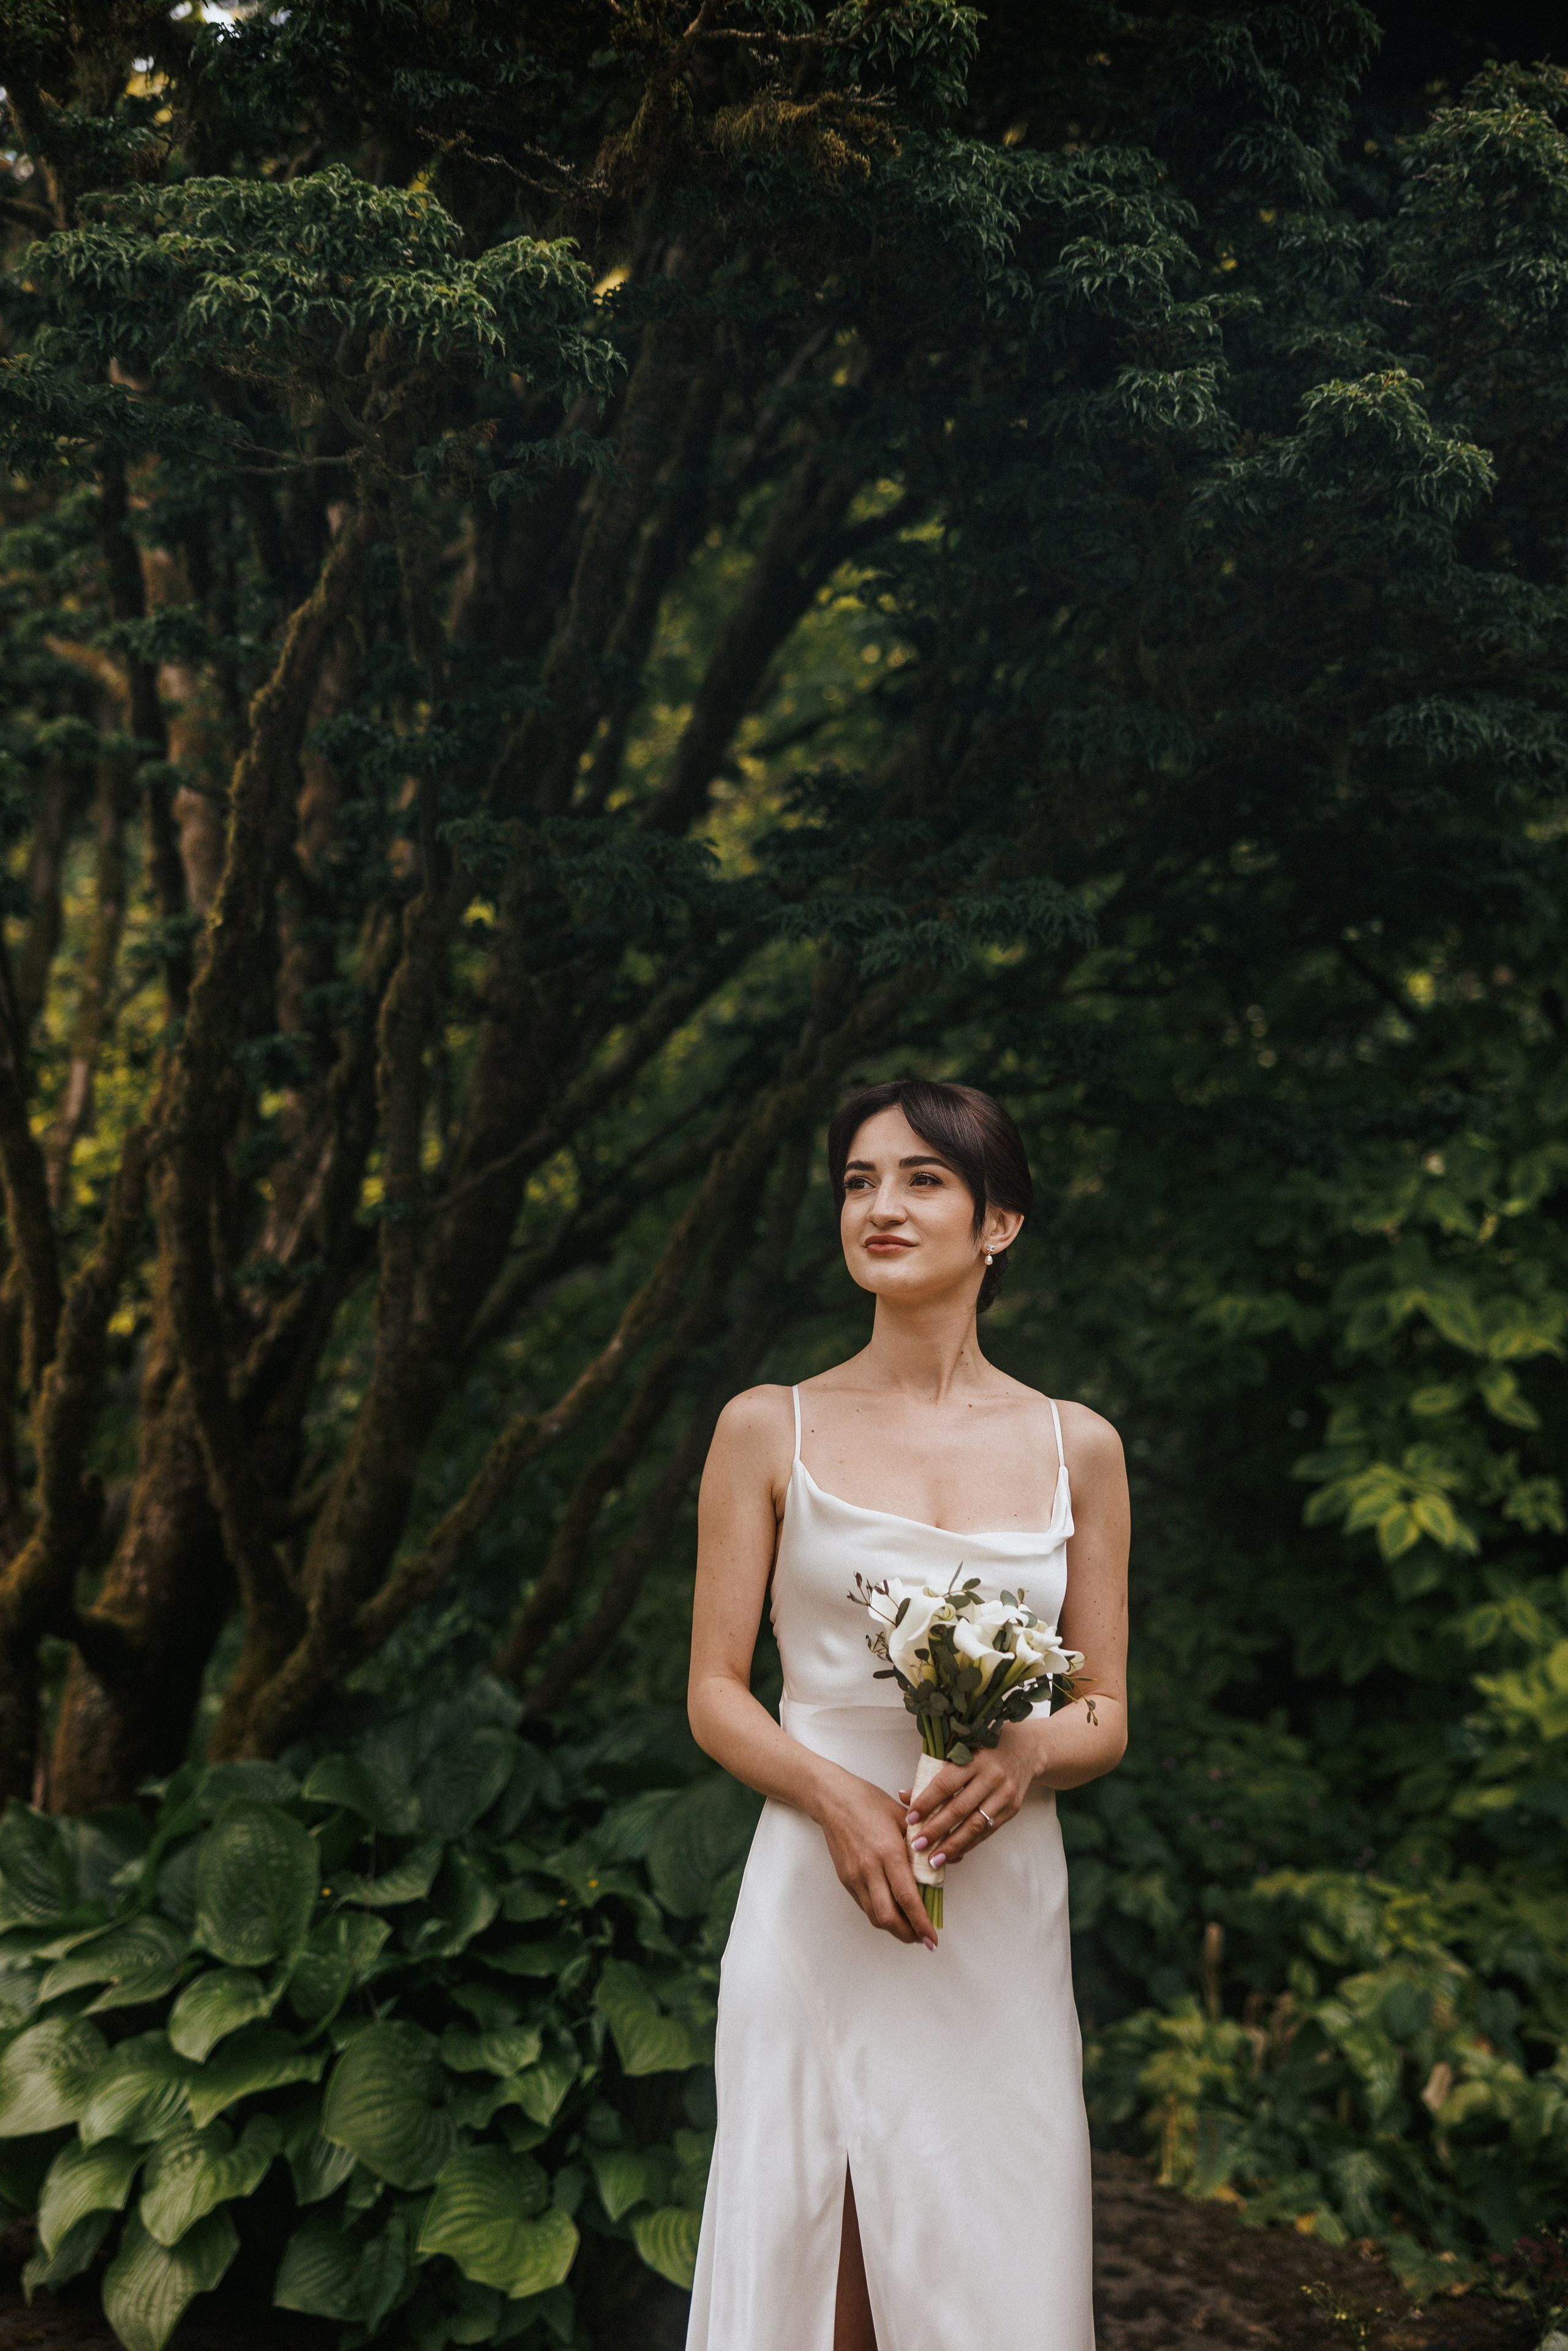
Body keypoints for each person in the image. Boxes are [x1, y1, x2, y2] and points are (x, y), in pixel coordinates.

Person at [685, 1077, 1130, 2351]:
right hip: (818, 1889)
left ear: (1000, 1223)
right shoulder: (767, 1427)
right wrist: (834, 1795)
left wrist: (1030, 1745)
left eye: (921, 1178)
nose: (878, 1204)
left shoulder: (1075, 1447)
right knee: (812, 2235)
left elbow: (1101, 1707)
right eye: (857, 1180)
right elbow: (715, 1689)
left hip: (992, 1899)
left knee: (986, 2236)